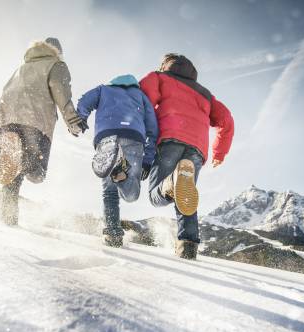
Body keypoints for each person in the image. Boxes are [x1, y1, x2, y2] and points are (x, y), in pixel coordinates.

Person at [140, 53, 235, 260]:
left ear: (166, 65)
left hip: (169, 139)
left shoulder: (159, 78)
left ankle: (170, 183)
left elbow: (142, 101)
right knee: (185, 196)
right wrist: (219, 153)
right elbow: (226, 119)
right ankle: (188, 245)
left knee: (157, 197)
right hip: (196, 149)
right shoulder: (206, 94)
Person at [0, 37, 87, 226]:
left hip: (7, 118)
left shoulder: (22, 67)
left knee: (12, 174)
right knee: (37, 173)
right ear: (57, 51)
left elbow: (5, 92)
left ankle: (7, 218)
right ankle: (20, 161)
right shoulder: (56, 64)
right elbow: (61, 92)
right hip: (34, 120)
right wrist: (73, 122)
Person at [77, 74, 158, 247]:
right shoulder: (141, 96)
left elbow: (85, 101)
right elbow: (153, 128)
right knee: (132, 195)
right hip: (134, 138)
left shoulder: (103, 90)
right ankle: (120, 171)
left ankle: (113, 235)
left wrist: (81, 117)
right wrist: (148, 160)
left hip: (107, 138)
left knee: (109, 193)